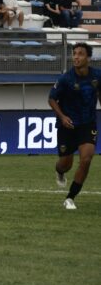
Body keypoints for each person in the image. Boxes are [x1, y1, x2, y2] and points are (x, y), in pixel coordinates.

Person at [49, 42, 101, 210]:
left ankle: (70, 198)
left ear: (88, 57)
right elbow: (51, 99)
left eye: (80, 54)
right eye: (74, 54)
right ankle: (59, 171)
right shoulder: (66, 78)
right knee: (66, 164)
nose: (76, 57)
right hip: (68, 125)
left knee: (86, 159)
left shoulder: (97, 76)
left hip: (88, 123)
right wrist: (62, 117)